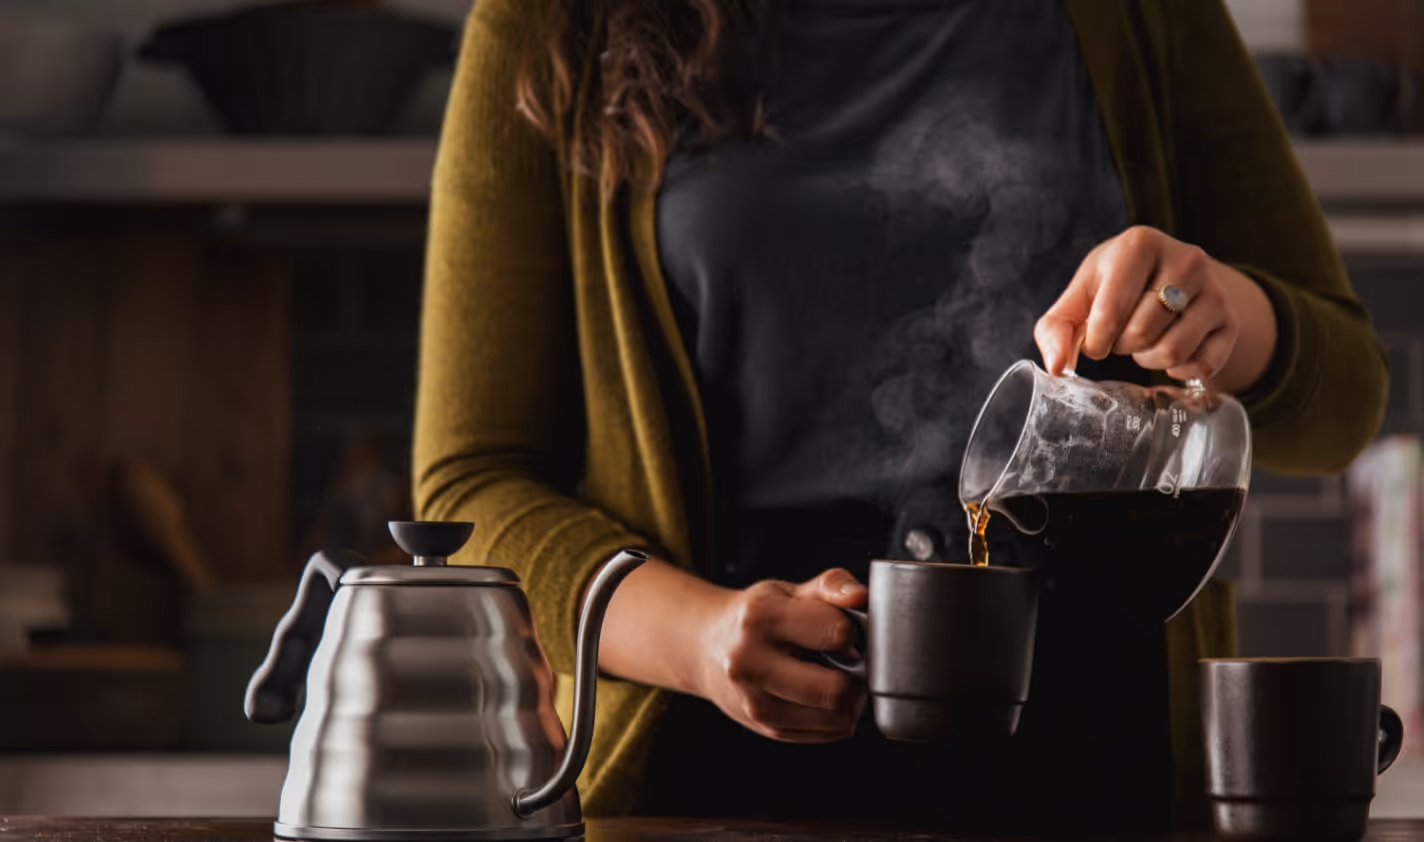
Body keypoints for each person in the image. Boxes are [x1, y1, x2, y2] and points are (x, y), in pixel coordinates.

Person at [414, 0, 1387, 831]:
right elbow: (469, 484)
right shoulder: (556, 24)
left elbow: (1341, 401)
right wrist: (701, 638)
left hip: (1097, 754)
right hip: (723, 753)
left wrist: (1224, 313)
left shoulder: (1135, 15)